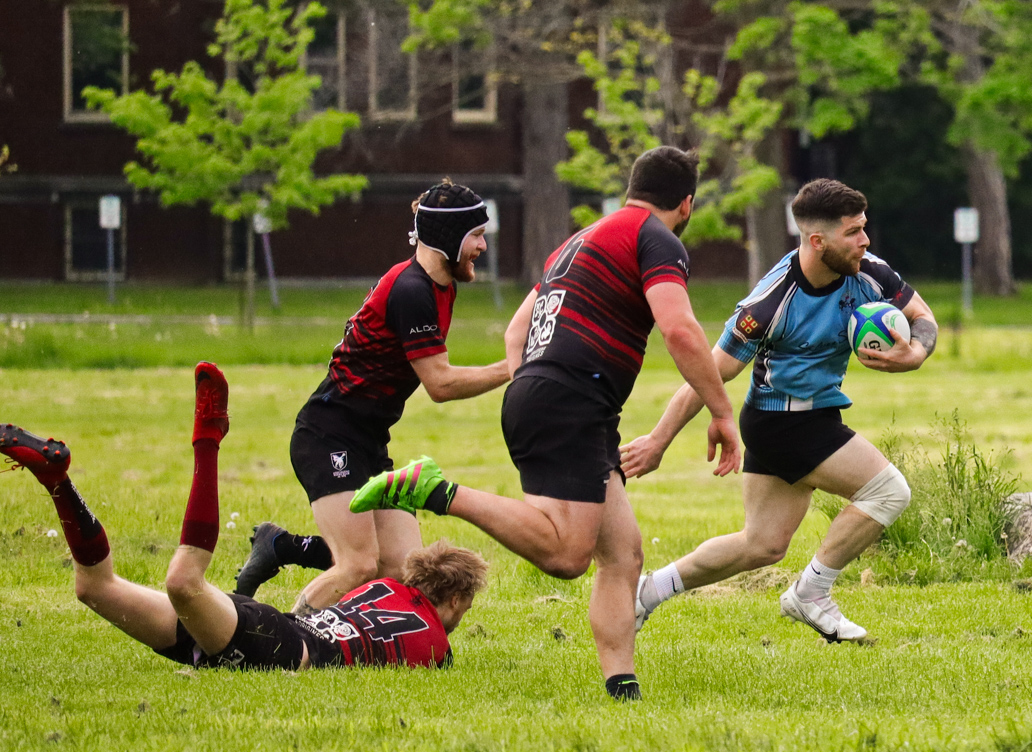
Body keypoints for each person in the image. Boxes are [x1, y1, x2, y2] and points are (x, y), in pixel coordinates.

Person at [348, 146, 739, 700]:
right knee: (565, 556)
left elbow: (516, 331)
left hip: (562, 397)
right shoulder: (656, 239)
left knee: (622, 553)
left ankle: (621, 686)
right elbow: (678, 329)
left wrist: (535, 380)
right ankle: (438, 490)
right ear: (687, 204)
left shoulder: (580, 240)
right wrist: (722, 411)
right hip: (573, 400)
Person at [1, 364, 488, 671]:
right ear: (457, 599)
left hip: (259, 626)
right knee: (183, 582)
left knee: (95, 588)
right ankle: (208, 439)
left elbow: (353, 593)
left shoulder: (387, 586)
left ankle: (58, 480)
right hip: (273, 645)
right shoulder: (435, 647)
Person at [622, 178, 938, 642]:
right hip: (783, 423)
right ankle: (811, 593)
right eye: (853, 232)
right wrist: (658, 440)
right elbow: (709, 373)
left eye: (864, 228)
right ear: (817, 240)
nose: (865, 241)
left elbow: (922, 318)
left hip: (811, 417)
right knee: (888, 493)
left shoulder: (869, 271)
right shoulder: (770, 303)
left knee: (762, 545)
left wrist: (916, 353)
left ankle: (645, 595)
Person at [231, 180, 509, 615]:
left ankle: (280, 546)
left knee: (400, 569)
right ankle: (276, 640)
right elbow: (441, 384)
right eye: (476, 235)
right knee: (358, 564)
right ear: (448, 238)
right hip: (328, 436)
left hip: (367, 442)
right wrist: (514, 367)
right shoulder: (413, 290)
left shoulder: (440, 286)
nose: (483, 246)